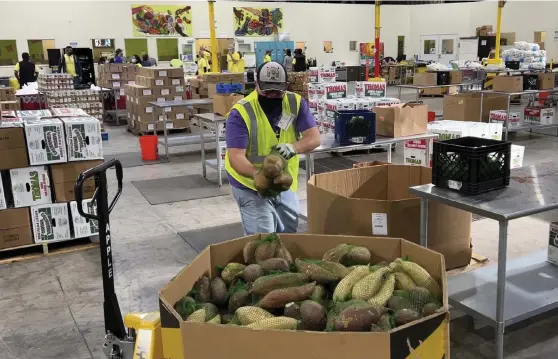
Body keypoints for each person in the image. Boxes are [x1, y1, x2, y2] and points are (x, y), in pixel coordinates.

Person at [225, 62, 321, 235]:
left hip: (283, 182)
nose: (272, 96)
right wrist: (257, 174)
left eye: (277, 92)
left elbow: (314, 138)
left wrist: (294, 147)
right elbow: (235, 156)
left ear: (286, 86)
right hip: (250, 186)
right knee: (264, 238)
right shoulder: (241, 112)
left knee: (288, 233)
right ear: (257, 85)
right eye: (267, 91)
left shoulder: (295, 103)